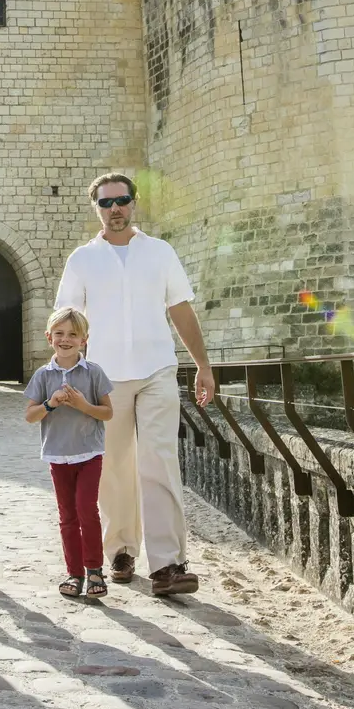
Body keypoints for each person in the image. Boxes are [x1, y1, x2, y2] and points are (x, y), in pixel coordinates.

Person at [56, 172, 216, 598]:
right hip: (103, 379)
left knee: (160, 460)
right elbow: (65, 323)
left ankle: (168, 564)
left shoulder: (160, 253)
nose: (115, 209)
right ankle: (122, 549)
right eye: (106, 203)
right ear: (97, 208)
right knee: (113, 466)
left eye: (122, 200)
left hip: (157, 370)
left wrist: (202, 364)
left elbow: (181, 310)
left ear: (134, 203)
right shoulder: (82, 260)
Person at [24, 307, 113, 601]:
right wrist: (50, 404)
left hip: (89, 452)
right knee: (67, 516)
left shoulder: (94, 372)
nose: (66, 340)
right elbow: (31, 416)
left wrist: (83, 405)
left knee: (87, 509)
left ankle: (95, 570)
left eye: (73, 335)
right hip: (58, 455)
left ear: (84, 339)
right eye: (59, 334)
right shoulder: (42, 375)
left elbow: (107, 412)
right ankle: (73, 572)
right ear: (49, 337)